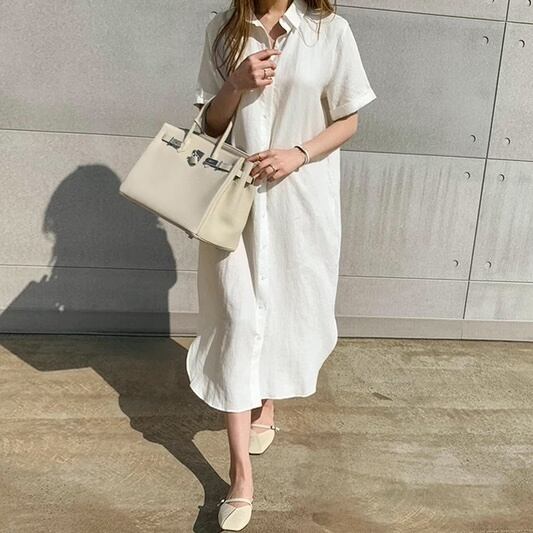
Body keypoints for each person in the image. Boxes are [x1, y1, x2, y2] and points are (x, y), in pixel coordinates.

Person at [187, 0, 377, 529]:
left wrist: (298, 153)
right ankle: (240, 475)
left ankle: (266, 402)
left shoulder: (329, 31)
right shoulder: (223, 30)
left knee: (281, 308)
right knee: (236, 319)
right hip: (235, 204)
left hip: (299, 204)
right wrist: (236, 84)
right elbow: (208, 125)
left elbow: (349, 119)